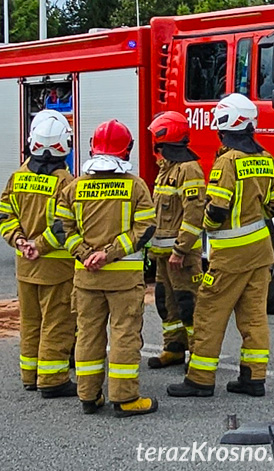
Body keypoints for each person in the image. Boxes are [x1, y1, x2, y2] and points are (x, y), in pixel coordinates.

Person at [168, 94, 274, 398]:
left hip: (230, 256)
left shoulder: (227, 161)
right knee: (254, 317)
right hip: (261, 252)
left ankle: (200, 380)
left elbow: (217, 210)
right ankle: (253, 378)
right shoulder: (266, 158)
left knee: (208, 311)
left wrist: (208, 226)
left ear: (224, 125)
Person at [56, 119, 158, 417]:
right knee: (124, 334)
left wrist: (86, 254)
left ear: (92, 147)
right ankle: (125, 398)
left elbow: (62, 230)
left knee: (88, 333)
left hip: (86, 278)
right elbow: (146, 228)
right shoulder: (135, 186)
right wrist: (110, 253)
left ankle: (88, 396)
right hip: (124, 279)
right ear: (127, 150)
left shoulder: (75, 187)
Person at [0, 110, 76, 398]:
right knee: (57, 322)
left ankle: (29, 375)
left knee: (30, 322)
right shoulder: (66, 183)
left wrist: (20, 241)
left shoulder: (17, 177)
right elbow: (64, 226)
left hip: (25, 268)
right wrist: (39, 245)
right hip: (56, 269)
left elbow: (4, 215)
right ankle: (53, 380)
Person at [145, 112, 205, 369]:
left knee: (188, 304)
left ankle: (199, 355)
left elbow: (194, 214)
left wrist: (181, 250)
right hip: (163, 256)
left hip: (181, 256)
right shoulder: (166, 169)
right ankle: (174, 348)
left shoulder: (188, 170)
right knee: (166, 302)